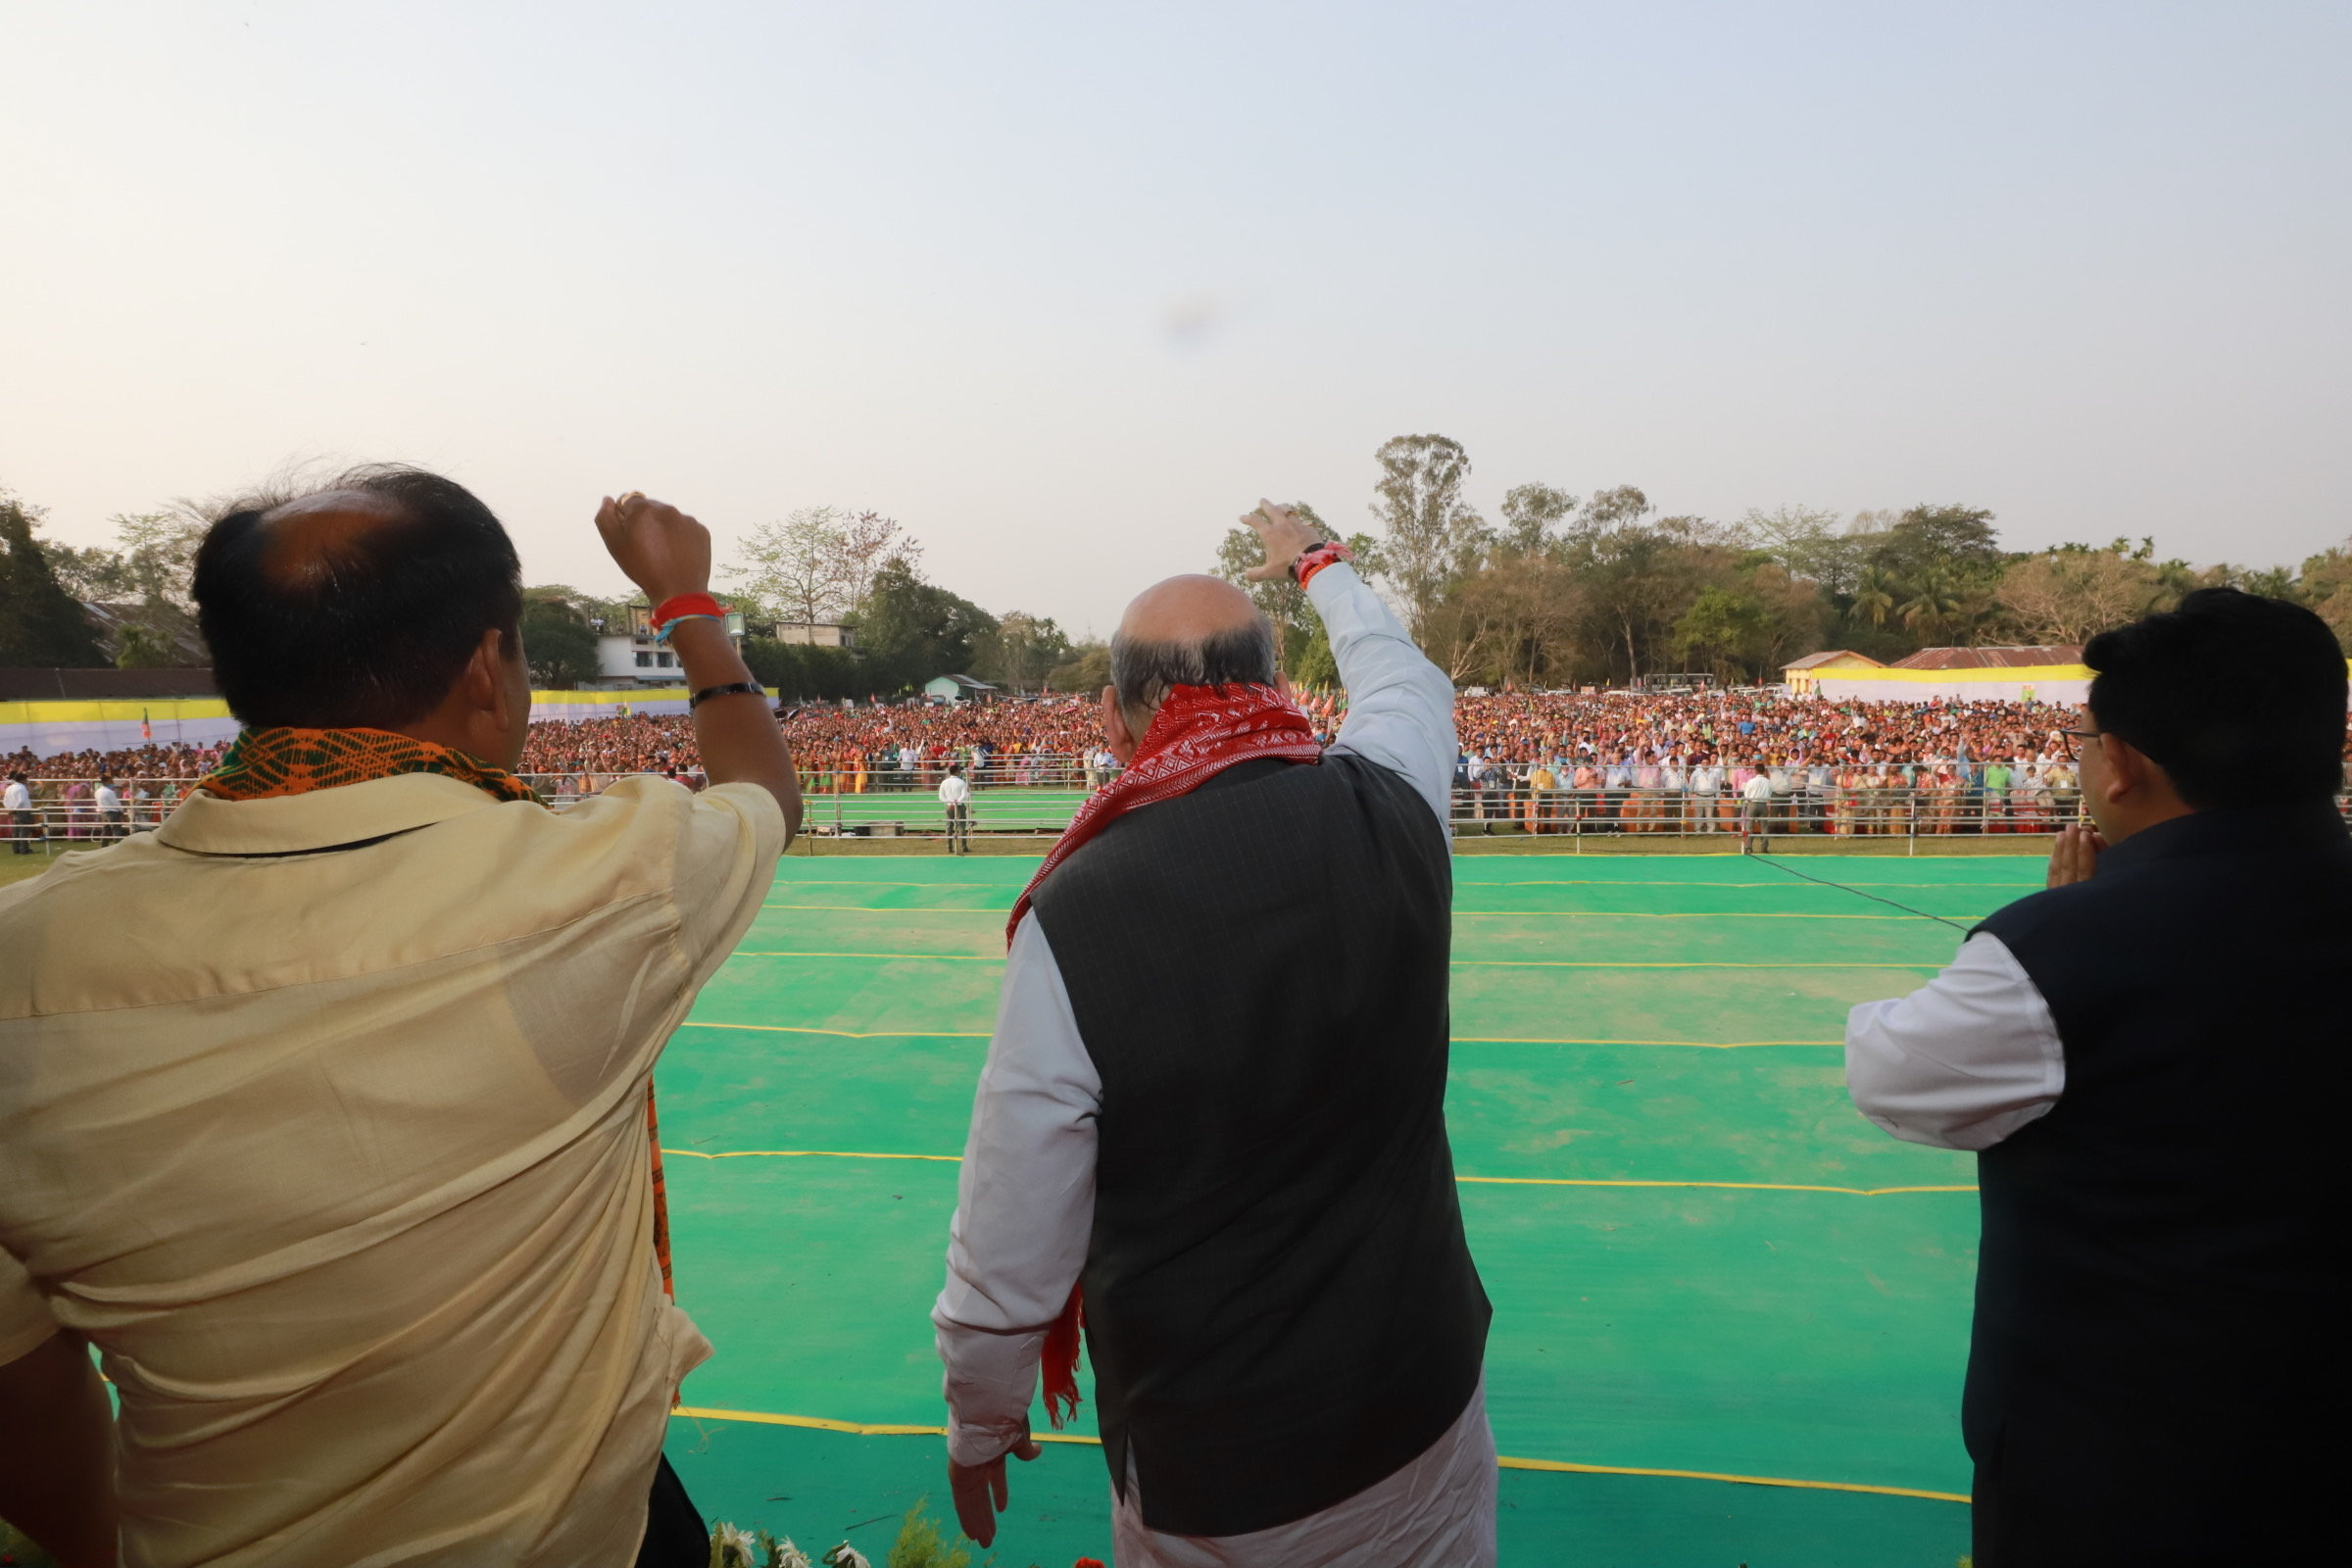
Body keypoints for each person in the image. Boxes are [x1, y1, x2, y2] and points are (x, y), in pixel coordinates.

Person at [0, 469, 800, 1568]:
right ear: (487, 665)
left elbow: (23, 1389)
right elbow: (763, 788)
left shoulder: (21, 960)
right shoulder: (600, 883)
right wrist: (684, 602)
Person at [933, 502, 1494, 1566]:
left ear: (1111, 717)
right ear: (1273, 689)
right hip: (1426, 1408)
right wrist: (1319, 565)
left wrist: (980, 1420)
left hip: (1222, 1472)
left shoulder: (1076, 917)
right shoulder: (1395, 805)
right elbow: (1407, 680)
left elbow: (1010, 1243)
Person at [1843, 588, 2347, 1564]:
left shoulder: (2062, 954)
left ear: (2121, 764)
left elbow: (1890, 1067)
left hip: (2121, 1468)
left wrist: (2063, 931)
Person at [940, 760, 973, 854]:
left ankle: (949, 847)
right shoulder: (962, 782)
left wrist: (950, 802)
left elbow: (941, 796)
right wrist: (956, 802)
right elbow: (964, 795)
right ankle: (963, 846)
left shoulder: (944, 782)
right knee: (961, 826)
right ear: (956, 772)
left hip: (948, 806)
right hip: (959, 805)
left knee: (949, 827)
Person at [3, 771, 31, 854]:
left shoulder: (9, 788)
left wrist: (10, 808)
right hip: (23, 810)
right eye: (26, 779)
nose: (27, 781)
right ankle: (24, 849)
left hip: (14, 811)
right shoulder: (22, 788)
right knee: (24, 830)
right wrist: (15, 808)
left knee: (16, 830)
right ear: (22, 780)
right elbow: (21, 801)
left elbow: (5, 800)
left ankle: (16, 849)